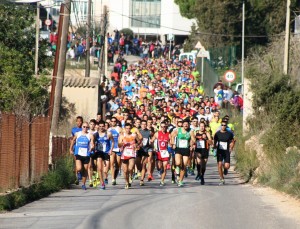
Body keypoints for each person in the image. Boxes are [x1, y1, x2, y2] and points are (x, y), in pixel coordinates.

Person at [69, 122, 95, 190]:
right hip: (78, 153)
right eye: (84, 127)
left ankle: (83, 184)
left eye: (87, 127)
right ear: (82, 127)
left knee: (85, 169)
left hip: (86, 154)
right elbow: (73, 141)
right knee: (79, 168)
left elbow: (92, 143)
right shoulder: (78, 134)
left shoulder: (90, 135)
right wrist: (70, 149)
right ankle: (78, 173)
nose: (85, 128)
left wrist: (92, 147)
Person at [171, 120, 195, 187]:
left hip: (186, 149)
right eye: (184, 124)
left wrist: (191, 145)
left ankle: (180, 181)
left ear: (189, 125)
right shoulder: (178, 130)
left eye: (187, 124)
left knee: (183, 166)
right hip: (178, 149)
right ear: (182, 125)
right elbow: (172, 136)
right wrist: (173, 144)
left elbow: (193, 139)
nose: (185, 125)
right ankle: (177, 171)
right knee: (178, 163)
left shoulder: (190, 131)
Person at [214, 120, 235, 185]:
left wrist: (231, 146)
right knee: (219, 165)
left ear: (226, 126)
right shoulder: (217, 133)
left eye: (224, 125)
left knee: (227, 166)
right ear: (220, 126)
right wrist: (214, 146)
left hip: (226, 151)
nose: (223, 126)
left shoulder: (229, 133)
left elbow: (233, 140)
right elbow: (214, 141)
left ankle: (225, 168)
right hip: (219, 151)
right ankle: (222, 178)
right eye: (222, 125)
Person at [94, 121, 114, 190]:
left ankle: (105, 177)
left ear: (105, 126)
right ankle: (102, 183)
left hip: (106, 153)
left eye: (103, 126)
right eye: (100, 126)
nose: (101, 127)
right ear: (98, 126)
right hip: (99, 152)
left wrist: (111, 150)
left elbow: (113, 142)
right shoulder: (96, 135)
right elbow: (92, 142)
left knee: (105, 170)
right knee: (99, 169)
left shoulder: (108, 133)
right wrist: (93, 148)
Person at [118, 123, 138, 189]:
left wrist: (137, 146)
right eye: (126, 128)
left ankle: (130, 176)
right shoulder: (122, 136)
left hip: (132, 153)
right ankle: (126, 182)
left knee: (130, 168)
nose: (128, 130)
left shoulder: (134, 135)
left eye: (129, 128)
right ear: (124, 129)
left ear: (131, 129)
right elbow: (119, 145)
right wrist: (122, 143)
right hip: (124, 153)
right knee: (125, 170)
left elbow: (139, 141)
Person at [151, 122, 170, 186]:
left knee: (164, 167)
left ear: (166, 127)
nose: (163, 128)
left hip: (165, 152)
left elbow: (171, 143)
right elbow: (151, 141)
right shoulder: (157, 134)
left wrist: (171, 146)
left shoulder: (168, 134)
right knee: (159, 167)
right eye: (161, 127)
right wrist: (153, 148)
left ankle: (162, 181)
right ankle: (160, 170)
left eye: (164, 127)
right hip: (158, 152)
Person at [137, 120, 153, 186]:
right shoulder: (138, 132)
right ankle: (140, 171)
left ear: (146, 125)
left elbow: (152, 139)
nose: (144, 125)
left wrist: (151, 143)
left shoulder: (149, 132)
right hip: (139, 150)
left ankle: (142, 180)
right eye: (142, 124)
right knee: (138, 164)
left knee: (143, 164)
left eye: (145, 124)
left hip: (147, 149)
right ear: (140, 125)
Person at [108, 117, 123, 185]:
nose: (113, 122)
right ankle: (113, 179)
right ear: (110, 122)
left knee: (118, 164)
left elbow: (122, 137)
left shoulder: (119, 129)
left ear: (116, 122)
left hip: (118, 148)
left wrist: (121, 145)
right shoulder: (109, 130)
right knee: (111, 163)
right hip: (112, 148)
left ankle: (115, 177)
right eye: (112, 121)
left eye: (114, 121)